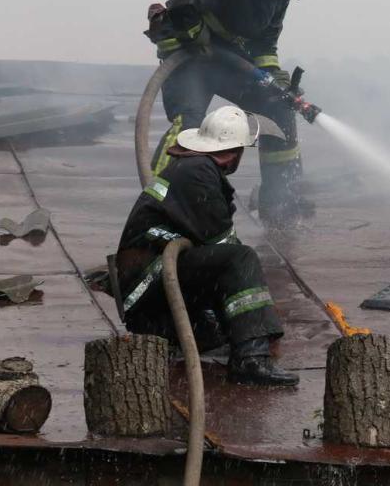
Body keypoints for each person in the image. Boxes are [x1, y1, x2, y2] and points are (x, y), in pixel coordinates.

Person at [145, 0, 331, 222]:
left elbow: (266, 43)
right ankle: (157, 205)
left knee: (279, 109)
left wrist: (274, 78)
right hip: (190, 61)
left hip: (227, 65)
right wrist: (195, 35)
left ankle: (280, 201)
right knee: (188, 127)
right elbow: (180, 10)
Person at [116, 105, 298, 386]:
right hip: (150, 284)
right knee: (241, 258)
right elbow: (223, 243)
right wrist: (261, 323)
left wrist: (252, 323)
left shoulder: (194, 168)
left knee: (232, 267)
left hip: (152, 284)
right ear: (233, 151)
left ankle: (240, 343)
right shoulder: (198, 172)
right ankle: (250, 360)